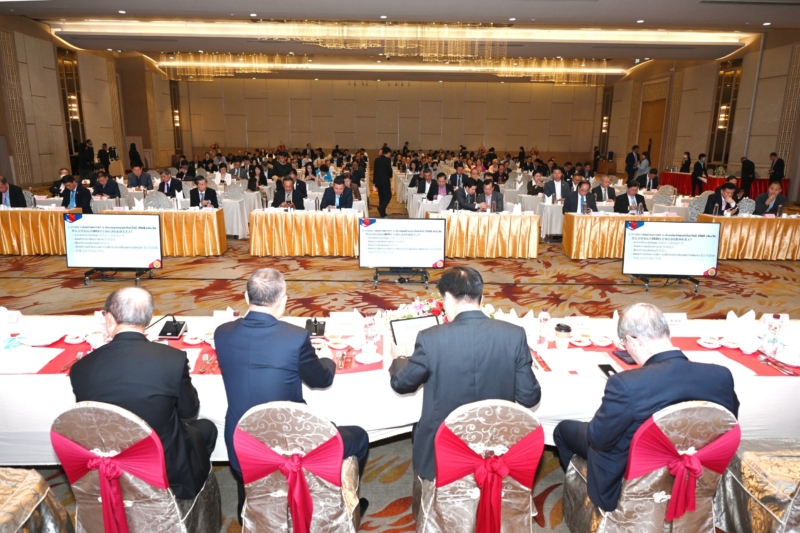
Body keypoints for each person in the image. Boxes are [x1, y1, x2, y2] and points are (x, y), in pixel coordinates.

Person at [215, 269, 369, 521]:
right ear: (284, 300)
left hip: (242, 443)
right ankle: (341, 504)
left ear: (246, 297)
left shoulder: (222, 333)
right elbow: (321, 380)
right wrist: (327, 359)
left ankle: (249, 513)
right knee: (359, 437)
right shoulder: (295, 338)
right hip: (292, 447)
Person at [553, 303, 738, 512]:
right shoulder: (721, 376)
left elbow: (598, 440)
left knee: (563, 430)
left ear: (633, 339)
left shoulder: (627, 384)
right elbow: (727, 425)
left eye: (624, 343)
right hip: (695, 470)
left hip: (634, 475)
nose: (626, 349)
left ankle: (584, 506)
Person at [389, 266, 541, 482]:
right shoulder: (514, 335)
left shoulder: (430, 338)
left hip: (443, 450)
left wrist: (400, 358)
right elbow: (529, 397)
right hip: (495, 447)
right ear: (481, 297)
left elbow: (402, 384)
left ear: (449, 298)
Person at [70, 287, 217, 501]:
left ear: (109, 318)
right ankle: (188, 497)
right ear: (148, 319)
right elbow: (189, 412)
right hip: (163, 468)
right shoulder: (173, 359)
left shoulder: (81, 368)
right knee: (206, 428)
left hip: (113, 465)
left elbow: (90, 419)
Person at [374, 146, 393, 218]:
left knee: (381, 197)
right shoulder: (387, 160)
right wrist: (390, 175)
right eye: (390, 153)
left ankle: (383, 213)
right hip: (385, 181)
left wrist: (374, 182)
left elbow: (375, 171)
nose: (390, 155)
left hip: (378, 181)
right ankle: (381, 208)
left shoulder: (377, 160)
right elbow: (389, 170)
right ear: (388, 153)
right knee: (388, 196)